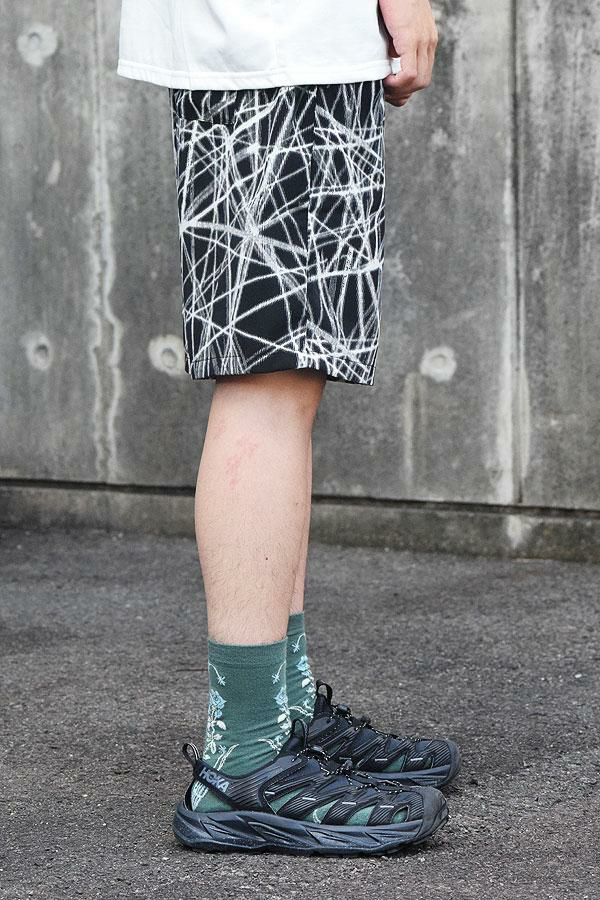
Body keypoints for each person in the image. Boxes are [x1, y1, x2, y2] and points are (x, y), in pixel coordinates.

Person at [118, 0, 460, 855]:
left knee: (291, 377)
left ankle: (282, 711)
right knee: (268, 375)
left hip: (297, 48)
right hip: (276, 46)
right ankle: (245, 758)